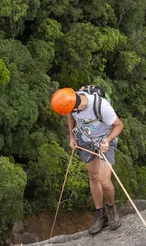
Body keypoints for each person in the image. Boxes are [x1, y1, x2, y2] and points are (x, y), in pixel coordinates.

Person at [51, 87, 124, 235]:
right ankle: (99, 213)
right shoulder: (72, 103)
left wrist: (108, 141)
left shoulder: (101, 106)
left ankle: (111, 208)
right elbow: (70, 116)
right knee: (93, 177)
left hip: (104, 141)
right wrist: (72, 137)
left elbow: (119, 125)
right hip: (85, 141)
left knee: (105, 181)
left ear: (75, 105)